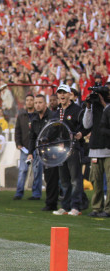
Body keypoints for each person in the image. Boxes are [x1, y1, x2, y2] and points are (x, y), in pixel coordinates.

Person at [52, 84, 89, 216]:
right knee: (64, 180)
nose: (62, 95)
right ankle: (65, 206)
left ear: (69, 95)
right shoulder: (57, 112)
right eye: (59, 93)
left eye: (64, 93)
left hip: (74, 148)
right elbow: (52, 130)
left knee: (75, 179)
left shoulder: (77, 110)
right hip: (61, 150)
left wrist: (81, 134)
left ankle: (76, 206)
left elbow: (86, 126)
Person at [27, 94, 59, 211]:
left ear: (45, 103)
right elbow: (32, 137)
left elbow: (55, 133)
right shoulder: (34, 118)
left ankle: (54, 203)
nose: (37, 105)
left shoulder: (52, 116)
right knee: (49, 178)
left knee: (56, 178)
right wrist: (30, 152)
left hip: (54, 151)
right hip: (43, 152)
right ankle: (51, 203)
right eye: (36, 103)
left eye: (40, 102)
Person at [83, 83, 110, 217]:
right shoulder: (94, 105)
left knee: (109, 182)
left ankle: (108, 209)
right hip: (95, 148)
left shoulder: (107, 106)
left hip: (108, 148)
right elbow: (87, 124)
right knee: (96, 180)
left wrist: (104, 103)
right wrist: (88, 107)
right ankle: (97, 208)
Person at [13, 94, 42, 200]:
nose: (29, 102)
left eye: (31, 100)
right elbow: (17, 131)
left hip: (36, 148)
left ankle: (36, 194)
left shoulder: (38, 115)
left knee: (37, 172)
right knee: (22, 170)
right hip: (24, 148)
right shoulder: (21, 116)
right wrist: (18, 143)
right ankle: (19, 192)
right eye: (27, 100)